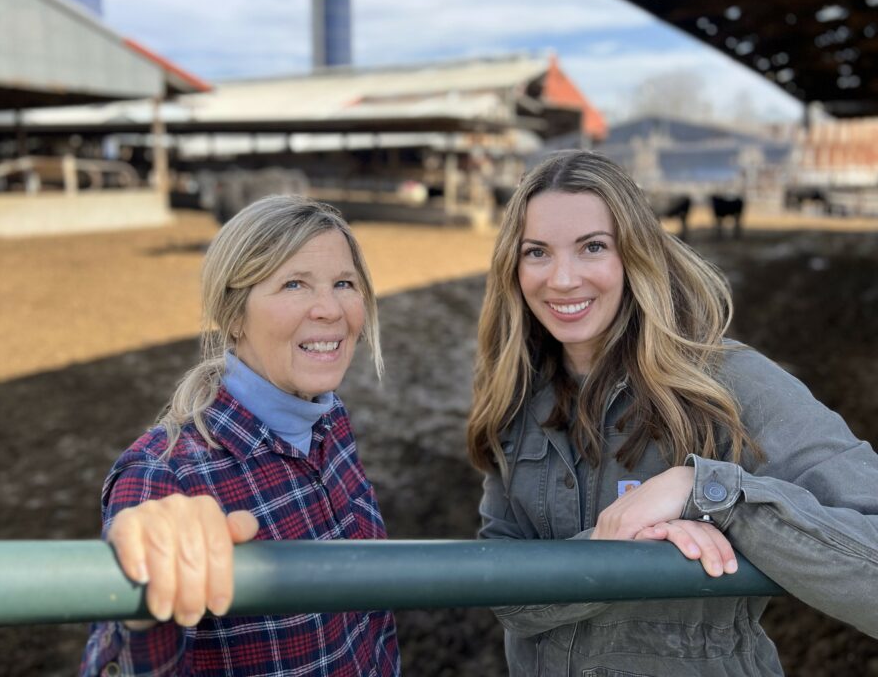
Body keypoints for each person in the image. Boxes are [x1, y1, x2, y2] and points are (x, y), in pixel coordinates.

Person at [467, 150, 878, 676]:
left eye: (593, 247)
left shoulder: (731, 384)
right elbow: (503, 594)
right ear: (513, 266)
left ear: (637, 254)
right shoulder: (514, 397)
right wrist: (607, 548)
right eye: (537, 252)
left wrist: (709, 495)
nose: (563, 278)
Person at [80, 195, 400, 676]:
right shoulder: (163, 477)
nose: (330, 309)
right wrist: (140, 618)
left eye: (344, 283)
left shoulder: (328, 422)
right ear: (231, 316)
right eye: (294, 283)